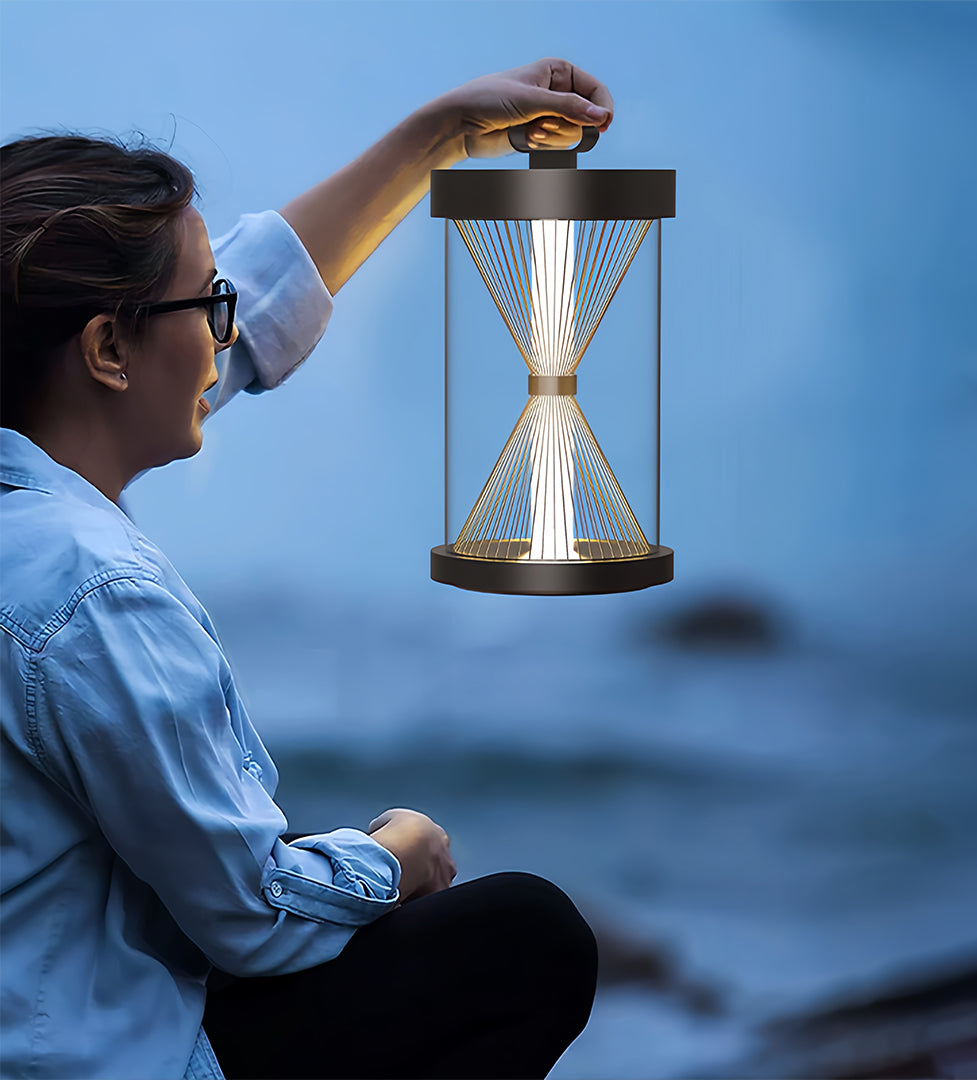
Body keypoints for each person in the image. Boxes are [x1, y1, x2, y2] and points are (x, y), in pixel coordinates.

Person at [0, 59, 611, 1080]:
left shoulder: (38, 490)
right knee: (526, 938)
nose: (226, 339)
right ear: (106, 349)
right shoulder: (88, 590)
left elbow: (230, 326)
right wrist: (395, 851)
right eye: (211, 308)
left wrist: (440, 134)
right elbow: (253, 918)